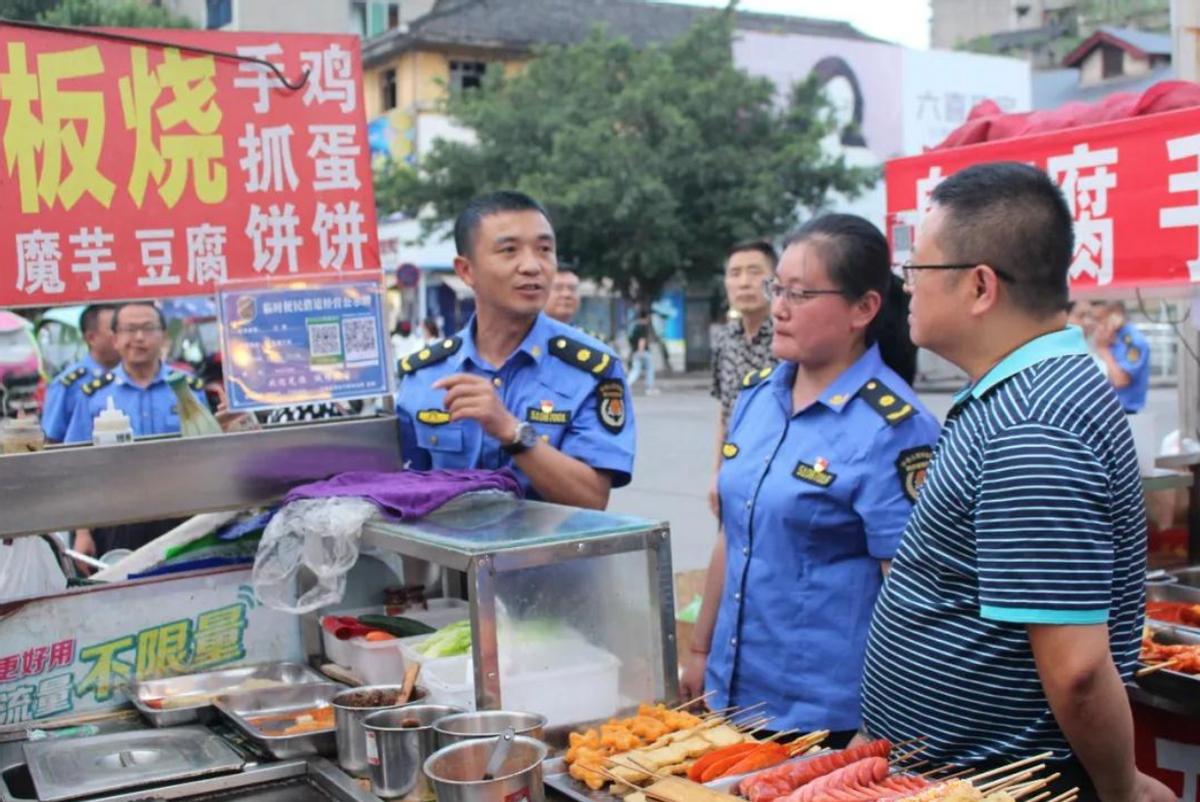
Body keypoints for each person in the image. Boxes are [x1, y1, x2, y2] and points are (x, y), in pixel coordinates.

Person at [860, 162, 1172, 802]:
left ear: (979, 286)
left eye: (917, 271)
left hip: (1001, 784)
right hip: (949, 774)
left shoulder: (1033, 426)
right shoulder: (1018, 396)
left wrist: (1123, 789)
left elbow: (1079, 670)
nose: (905, 288)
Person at [679, 214, 939, 746]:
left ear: (863, 309)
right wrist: (702, 652)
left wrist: (883, 726)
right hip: (733, 692)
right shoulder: (757, 397)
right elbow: (734, 534)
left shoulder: (895, 428)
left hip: (829, 716)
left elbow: (910, 595)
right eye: (779, 289)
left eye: (800, 294)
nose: (778, 308)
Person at [395, 191, 635, 509]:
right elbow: (405, 499)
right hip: (451, 557)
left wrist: (512, 431)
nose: (532, 266)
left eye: (544, 250)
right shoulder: (424, 374)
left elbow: (591, 498)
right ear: (466, 271)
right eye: (509, 250)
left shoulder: (592, 369)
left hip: (552, 558)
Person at [63, 301, 211, 558]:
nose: (139, 337)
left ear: (163, 336)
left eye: (148, 328)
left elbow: (210, 456)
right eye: (129, 329)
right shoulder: (93, 396)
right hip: (116, 519)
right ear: (116, 338)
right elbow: (76, 467)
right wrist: (83, 533)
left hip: (183, 515)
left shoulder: (188, 389)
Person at [709, 240, 777, 516]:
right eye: (735, 273)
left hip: (777, 477)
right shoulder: (725, 339)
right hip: (734, 476)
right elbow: (725, 414)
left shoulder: (791, 337)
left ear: (774, 280)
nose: (744, 282)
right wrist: (717, 473)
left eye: (754, 271)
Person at [41, 304, 120, 443]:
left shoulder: (138, 376)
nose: (123, 336)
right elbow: (51, 439)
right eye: (114, 330)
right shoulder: (68, 384)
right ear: (91, 338)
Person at [1094, 301, 1150, 413]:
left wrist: (1103, 350)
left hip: (1125, 411)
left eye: (1101, 319)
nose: (1098, 326)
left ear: (1117, 314)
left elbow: (1120, 380)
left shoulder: (1133, 342)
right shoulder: (1111, 337)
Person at [626, 310, 657, 395]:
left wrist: (636, 351)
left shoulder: (634, 327)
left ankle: (626, 385)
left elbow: (631, 339)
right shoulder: (642, 327)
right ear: (646, 317)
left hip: (635, 351)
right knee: (650, 369)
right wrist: (641, 351)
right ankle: (649, 388)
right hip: (643, 352)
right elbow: (642, 340)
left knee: (635, 370)